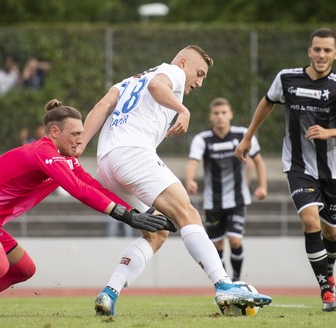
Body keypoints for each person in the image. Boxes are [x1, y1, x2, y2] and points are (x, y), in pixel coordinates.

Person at [0, 99, 174, 319]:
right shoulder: (43, 153)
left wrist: (139, 213)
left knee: (23, 269)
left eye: (82, 134)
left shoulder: (64, 158)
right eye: (76, 134)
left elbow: (91, 184)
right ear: (55, 132)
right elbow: (78, 189)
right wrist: (126, 216)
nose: (81, 140)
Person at [80, 45, 272, 316]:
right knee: (188, 214)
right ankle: (224, 285)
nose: (199, 82)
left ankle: (109, 292)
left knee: (156, 232)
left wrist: (79, 147)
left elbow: (103, 106)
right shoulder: (172, 72)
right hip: (134, 154)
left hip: (107, 165)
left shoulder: (129, 80)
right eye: (200, 73)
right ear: (184, 62)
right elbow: (158, 86)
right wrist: (183, 110)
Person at [235, 27, 336, 312]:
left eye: (327, 50)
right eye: (316, 49)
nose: (321, 55)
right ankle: (326, 289)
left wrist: (330, 133)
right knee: (310, 222)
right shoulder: (287, 78)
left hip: (331, 170)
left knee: (331, 233)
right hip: (297, 166)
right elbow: (268, 102)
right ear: (309, 51)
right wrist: (248, 137)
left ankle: (327, 271)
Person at [184, 97, 267, 282]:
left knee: (235, 240)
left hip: (238, 199)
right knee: (217, 246)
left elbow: (259, 161)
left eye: (223, 113)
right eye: (216, 113)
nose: (220, 117)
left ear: (230, 114)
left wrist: (262, 186)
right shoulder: (202, 139)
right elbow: (192, 163)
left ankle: (237, 279)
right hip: (213, 202)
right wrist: (190, 180)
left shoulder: (243, 135)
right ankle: (224, 281)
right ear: (211, 117)